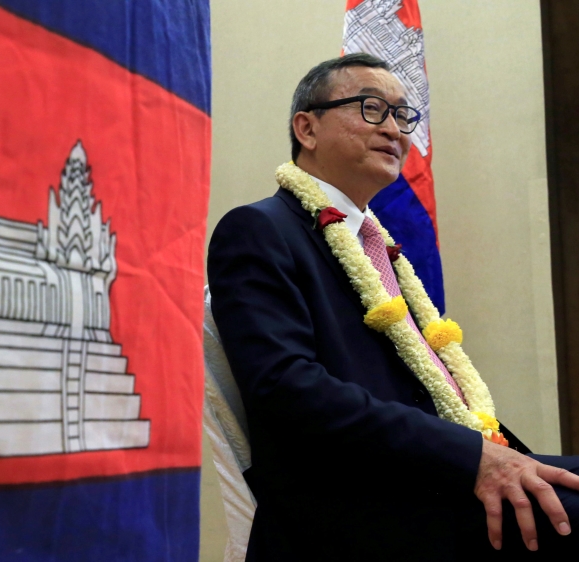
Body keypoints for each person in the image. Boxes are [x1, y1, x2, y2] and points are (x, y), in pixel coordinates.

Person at [207, 53, 579, 560]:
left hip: (434, 474)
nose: (396, 131)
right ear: (306, 128)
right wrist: (473, 458)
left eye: (404, 116)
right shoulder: (258, 230)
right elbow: (288, 389)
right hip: (357, 504)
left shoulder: (377, 243)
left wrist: (498, 453)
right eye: (371, 108)